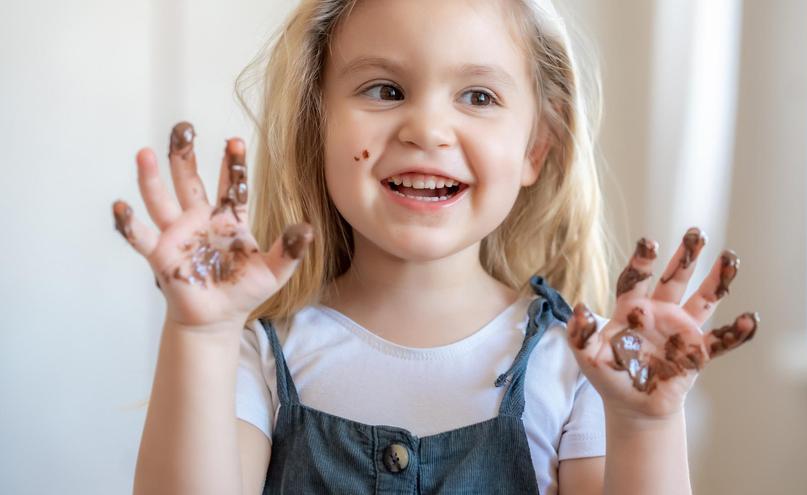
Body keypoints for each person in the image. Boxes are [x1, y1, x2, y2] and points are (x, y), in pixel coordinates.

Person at [117, 0, 759, 493]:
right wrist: (199, 336)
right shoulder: (259, 357)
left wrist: (646, 425)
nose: (426, 128)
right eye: (384, 89)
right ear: (320, 128)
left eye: (478, 96)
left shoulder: (577, 371)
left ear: (536, 147)